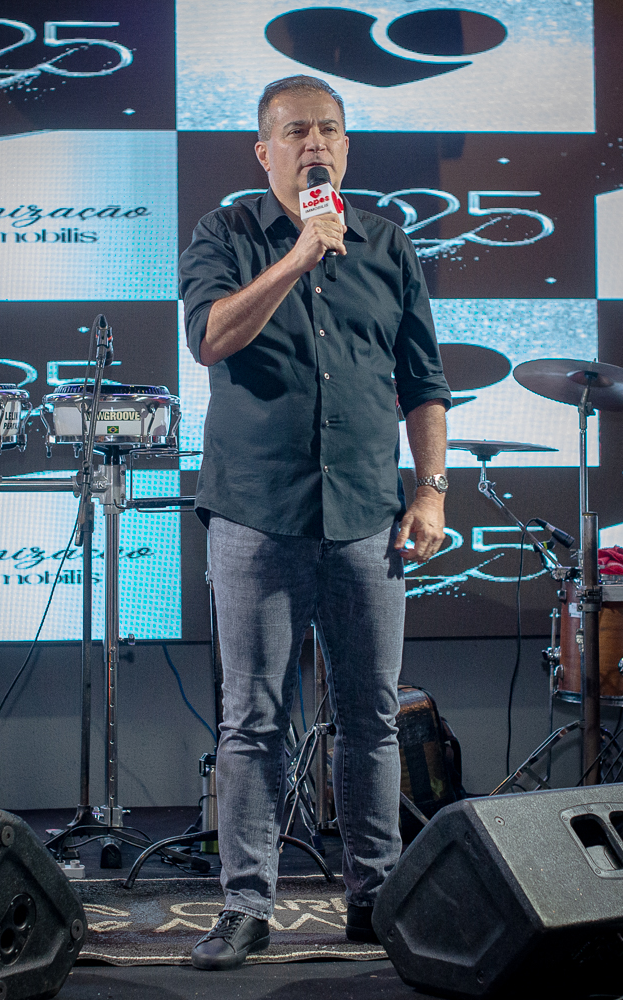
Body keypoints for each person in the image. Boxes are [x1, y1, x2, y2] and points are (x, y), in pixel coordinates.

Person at [179, 75, 451, 971]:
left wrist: (431, 491)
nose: (315, 145)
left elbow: (424, 382)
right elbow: (211, 338)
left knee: (371, 718)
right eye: (296, 132)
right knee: (254, 720)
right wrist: (299, 255)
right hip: (257, 514)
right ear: (264, 151)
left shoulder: (388, 243)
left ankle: (376, 900)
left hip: (369, 515)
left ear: (347, 146)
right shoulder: (225, 234)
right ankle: (245, 906)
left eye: (329, 130)